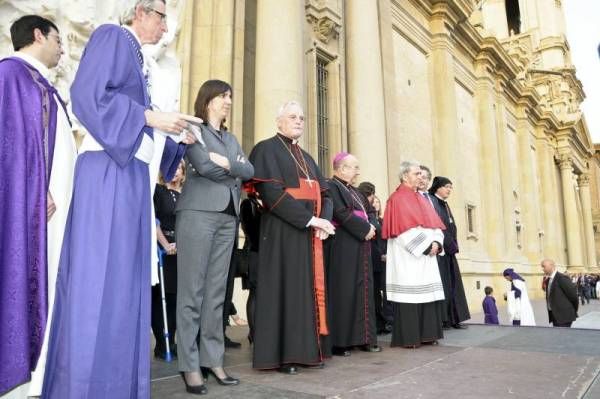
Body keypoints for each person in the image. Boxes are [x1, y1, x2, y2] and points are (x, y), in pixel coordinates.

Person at [41, 1, 199, 397]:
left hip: (131, 175)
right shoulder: (114, 36)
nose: (166, 27)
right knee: (99, 279)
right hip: (110, 168)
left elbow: (148, 132)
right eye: (162, 17)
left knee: (125, 283)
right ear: (140, 12)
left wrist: (177, 137)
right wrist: (150, 117)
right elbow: (89, 95)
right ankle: (83, 386)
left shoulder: (143, 62)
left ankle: (117, 385)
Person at [0, 15, 76, 397]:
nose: (63, 48)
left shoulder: (41, 83)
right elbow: (10, 150)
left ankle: (39, 371)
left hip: (51, 216)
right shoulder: (11, 77)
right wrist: (34, 188)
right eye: (58, 40)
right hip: (33, 212)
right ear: (37, 35)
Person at [176, 79, 253, 393]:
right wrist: (231, 165)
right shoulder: (194, 131)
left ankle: (213, 359)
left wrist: (229, 163)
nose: (229, 101)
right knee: (191, 293)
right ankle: (189, 365)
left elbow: (249, 171)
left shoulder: (231, 138)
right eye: (223, 96)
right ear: (208, 100)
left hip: (227, 218)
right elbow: (204, 167)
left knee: (216, 293)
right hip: (197, 214)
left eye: (231, 96)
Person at [248, 100, 335, 374]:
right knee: (286, 292)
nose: (298, 121)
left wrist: (324, 221)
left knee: (306, 293)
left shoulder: (308, 158)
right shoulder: (266, 149)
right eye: (292, 117)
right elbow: (271, 194)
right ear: (279, 122)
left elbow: (326, 193)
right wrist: (310, 219)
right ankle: (284, 356)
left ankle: (307, 351)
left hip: (310, 235)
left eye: (301, 117)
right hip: (283, 233)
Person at [383, 161, 446, 348]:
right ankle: (410, 338)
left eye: (421, 174)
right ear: (405, 177)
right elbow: (401, 230)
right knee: (410, 296)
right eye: (417, 174)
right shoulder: (397, 198)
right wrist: (426, 247)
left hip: (427, 256)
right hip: (409, 257)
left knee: (427, 296)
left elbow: (435, 225)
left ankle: (428, 335)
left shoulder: (423, 198)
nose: (421, 177)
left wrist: (436, 242)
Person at [325, 153, 380, 357]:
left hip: (362, 245)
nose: (358, 172)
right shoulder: (331, 186)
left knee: (364, 291)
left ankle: (365, 338)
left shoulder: (356, 192)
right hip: (344, 244)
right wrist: (364, 228)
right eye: (354, 168)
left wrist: (372, 226)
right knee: (345, 292)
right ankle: (341, 342)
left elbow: (371, 212)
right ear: (341, 168)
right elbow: (339, 212)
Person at [152, 161, 185, 360]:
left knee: (175, 299)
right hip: (162, 249)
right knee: (159, 298)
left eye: (179, 168)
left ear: (183, 173)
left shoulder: (187, 195)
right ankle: (161, 342)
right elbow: (153, 220)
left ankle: (171, 340)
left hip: (182, 249)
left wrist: (181, 244)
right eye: (171, 168)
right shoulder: (158, 191)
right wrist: (166, 244)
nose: (175, 172)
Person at [428, 176, 470, 329]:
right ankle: (445, 319)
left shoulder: (444, 204)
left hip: (450, 250)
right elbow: (439, 226)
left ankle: (454, 318)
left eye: (451, 187)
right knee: (445, 285)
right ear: (438, 187)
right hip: (442, 250)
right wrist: (449, 244)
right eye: (447, 186)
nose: (449, 190)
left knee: (453, 284)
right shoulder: (433, 201)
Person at [541, 259, 578, 327]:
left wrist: (573, 310)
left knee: (563, 336)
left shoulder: (562, 278)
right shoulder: (548, 280)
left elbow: (573, 296)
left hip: (564, 316)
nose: (542, 269)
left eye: (544, 266)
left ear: (551, 266)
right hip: (555, 315)